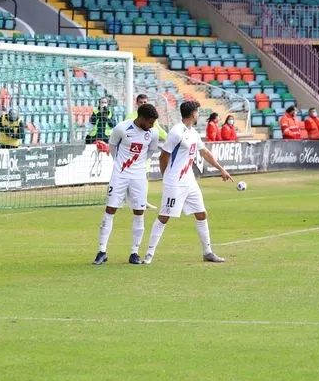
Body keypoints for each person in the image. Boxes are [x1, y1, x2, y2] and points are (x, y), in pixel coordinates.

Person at [144, 100, 233, 264]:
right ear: (193, 114)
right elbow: (164, 156)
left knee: (201, 214)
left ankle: (207, 252)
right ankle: (149, 254)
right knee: (164, 216)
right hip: (175, 182)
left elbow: (205, 152)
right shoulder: (176, 132)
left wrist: (221, 169)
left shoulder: (193, 132)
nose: (198, 114)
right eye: (197, 112)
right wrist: (167, 177)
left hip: (189, 181)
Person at [93, 103, 161, 265]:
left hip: (138, 177)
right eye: (150, 122)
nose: (151, 125)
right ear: (142, 118)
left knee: (139, 212)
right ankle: (102, 251)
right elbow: (112, 147)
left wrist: (137, 166)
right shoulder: (121, 128)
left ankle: (134, 252)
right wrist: (121, 164)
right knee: (110, 209)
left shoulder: (153, 133)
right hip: (120, 175)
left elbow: (150, 152)